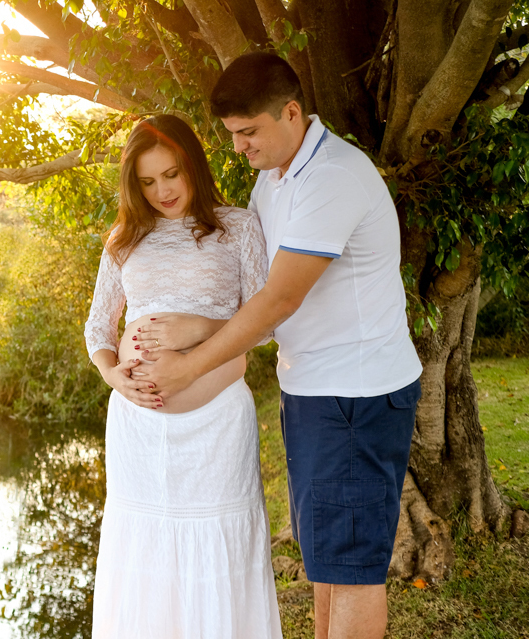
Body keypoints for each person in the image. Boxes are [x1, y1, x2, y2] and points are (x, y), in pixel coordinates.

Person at [132, 52, 422, 639]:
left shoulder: (332, 177)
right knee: (326, 564)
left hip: (355, 396)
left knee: (352, 570)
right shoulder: (274, 178)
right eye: (231, 134)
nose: (238, 147)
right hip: (311, 390)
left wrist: (188, 366)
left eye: (248, 132)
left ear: (291, 113)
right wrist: (193, 324)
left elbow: (279, 299)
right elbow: (255, 293)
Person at [84, 114, 282, 639]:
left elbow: (264, 323)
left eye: (171, 174)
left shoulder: (238, 227)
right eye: (148, 181)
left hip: (216, 428)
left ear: (192, 163)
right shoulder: (123, 239)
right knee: (144, 553)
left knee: (215, 549)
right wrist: (114, 376)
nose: (163, 191)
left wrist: (198, 327)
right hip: (138, 431)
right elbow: (98, 328)